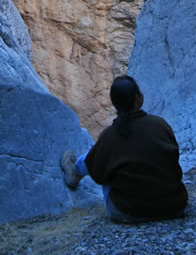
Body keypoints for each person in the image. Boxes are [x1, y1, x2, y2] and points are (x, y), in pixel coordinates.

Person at [60, 76, 188, 222]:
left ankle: (75, 173)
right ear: (139, 98)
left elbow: (99, 176)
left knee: (101, 159)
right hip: (175, 206)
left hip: (128, 211)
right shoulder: (160, 124)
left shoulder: (110, 135)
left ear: (115, 104)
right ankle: (77, 170)